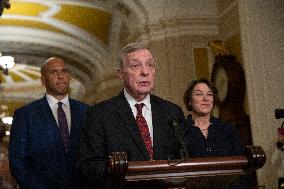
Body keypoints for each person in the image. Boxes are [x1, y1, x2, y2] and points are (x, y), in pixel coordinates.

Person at [78, 42, 185, 189]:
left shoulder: (172, 112)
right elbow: (89, 168)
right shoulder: (100, 114)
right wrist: (117, 173)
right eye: (136, 66)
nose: (145, 72)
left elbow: (184, 158)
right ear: (121, 74)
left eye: (150, 65)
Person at [8, 57, 89, 189]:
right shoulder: (25, 115)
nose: (61, 76)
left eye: (64, 71)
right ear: (43, 80)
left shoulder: (87, 112)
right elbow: (17, 161)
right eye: (54, 72)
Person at [183, 78, 248, 189]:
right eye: (199, 94)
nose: (205, 98)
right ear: (189, 101)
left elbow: (241, 168)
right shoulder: (180, 130)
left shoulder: (227, 129)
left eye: (209, 94)